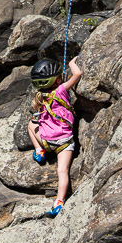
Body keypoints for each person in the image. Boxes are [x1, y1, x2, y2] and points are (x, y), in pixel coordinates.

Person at [27, 56, 82, 217]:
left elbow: (34, 122)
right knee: (62, 171)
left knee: (31, 125)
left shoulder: (40, 97)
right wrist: (72, 64)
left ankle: (39, 151)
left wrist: (40, 145)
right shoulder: (61, 90)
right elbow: (77, 74)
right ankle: (59, 201)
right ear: (57, 80)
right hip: (64, 142)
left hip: (47, 141)